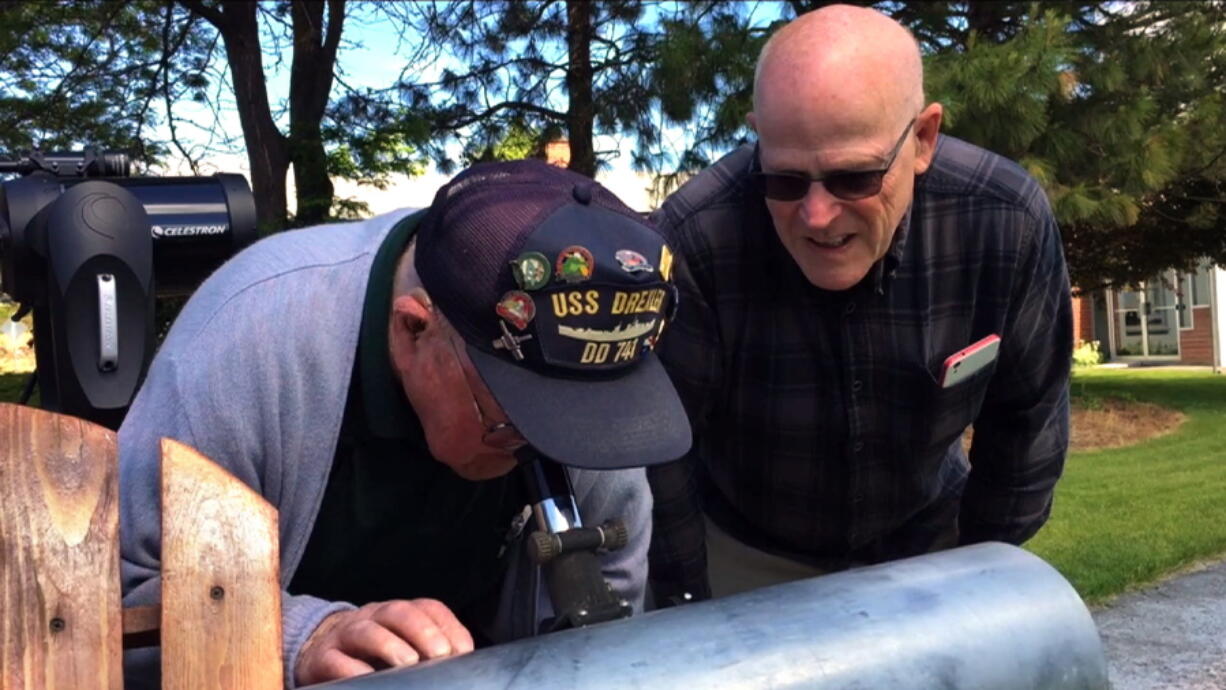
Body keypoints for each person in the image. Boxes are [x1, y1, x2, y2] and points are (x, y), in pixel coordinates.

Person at [118, 160, 690, 687]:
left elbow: (609, 613)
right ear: (414, 329)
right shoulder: (249, 345)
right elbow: (116, 595)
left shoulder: (583, 362)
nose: (545, 447)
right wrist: (294, 638)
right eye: (514, 420)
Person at [647, 4, 1072, 605]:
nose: (817, 217)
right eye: (786, 180)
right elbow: (662, 455)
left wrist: (982, 576)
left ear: (923, 139)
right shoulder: (696, 236)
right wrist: (689, 610)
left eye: (853, 178)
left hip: (932, 545)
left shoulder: (1003, 221)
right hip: (748, 554)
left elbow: (1027, 423)